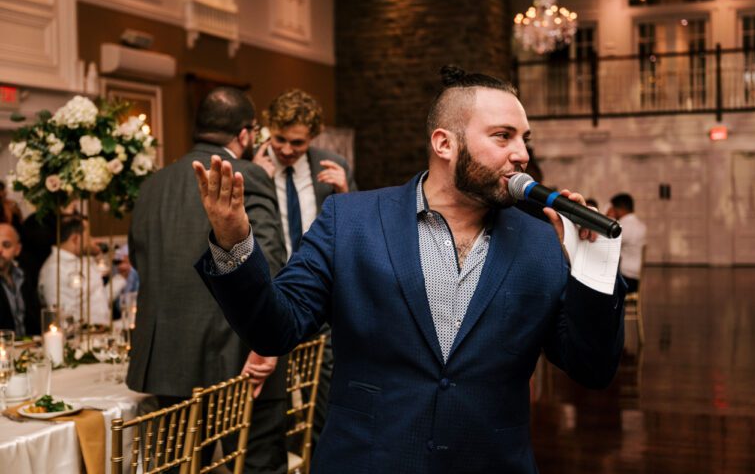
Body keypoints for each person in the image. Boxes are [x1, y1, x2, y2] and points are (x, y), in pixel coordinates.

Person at [193, 66, 625, 473]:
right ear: (444, 144)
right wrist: (234, 242)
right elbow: (275, 329)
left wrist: (593, 272)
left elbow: (591, 369)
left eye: (524, 139)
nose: (522, 154)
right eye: (503, 136)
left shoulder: (540, 242)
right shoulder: (350, 221)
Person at [126, 86, 289, 474]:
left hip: (169, 362)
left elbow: (139, 260)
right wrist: (266, 342)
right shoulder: (244, 174)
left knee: (180, 468)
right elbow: (270, 262)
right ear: (245, 134)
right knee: (257, 466)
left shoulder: (152, 184)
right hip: (239, 359)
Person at [253, 88, 356, 444]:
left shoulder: (331, 166)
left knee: (324, 401)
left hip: (319, 300)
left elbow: (355, 233)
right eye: (279, 139)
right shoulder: (252, 166)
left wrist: (345, 193)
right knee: (270, 407)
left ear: (312, 137)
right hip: (268, 295)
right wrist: (255, 178)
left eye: (296, 142)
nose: (285, 149)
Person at [38, 215, 111, 326]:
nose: (92, 241)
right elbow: (64, 318)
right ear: (75, 239)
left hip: (103, 328)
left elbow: (99, 298)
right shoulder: (54, 270)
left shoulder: (85, 260)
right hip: (86, 333)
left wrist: (123, 277)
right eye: (88, 237)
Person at [0, 224, 41, 336]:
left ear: (17, 249)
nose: (0, 250)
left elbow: (35, 319)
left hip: (27, 344)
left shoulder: (24, 275)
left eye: (6, 245)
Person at [608, 193, 647, 293]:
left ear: (618, 209)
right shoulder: (641, 225)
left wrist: (607, 218)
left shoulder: (623, 227)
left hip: (626, 278)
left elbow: (607, 244)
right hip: (637, 276)